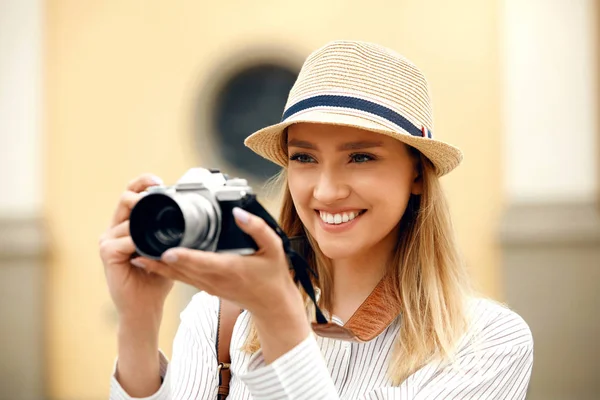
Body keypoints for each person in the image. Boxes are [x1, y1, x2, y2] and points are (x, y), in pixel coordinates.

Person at [100, 40, 533, 399]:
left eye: (360, 157)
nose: (326, 191)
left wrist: (278, 317)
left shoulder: (488, 344)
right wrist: (138, 321)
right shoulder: (219, 316)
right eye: (304, 157)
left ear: (417, 174)